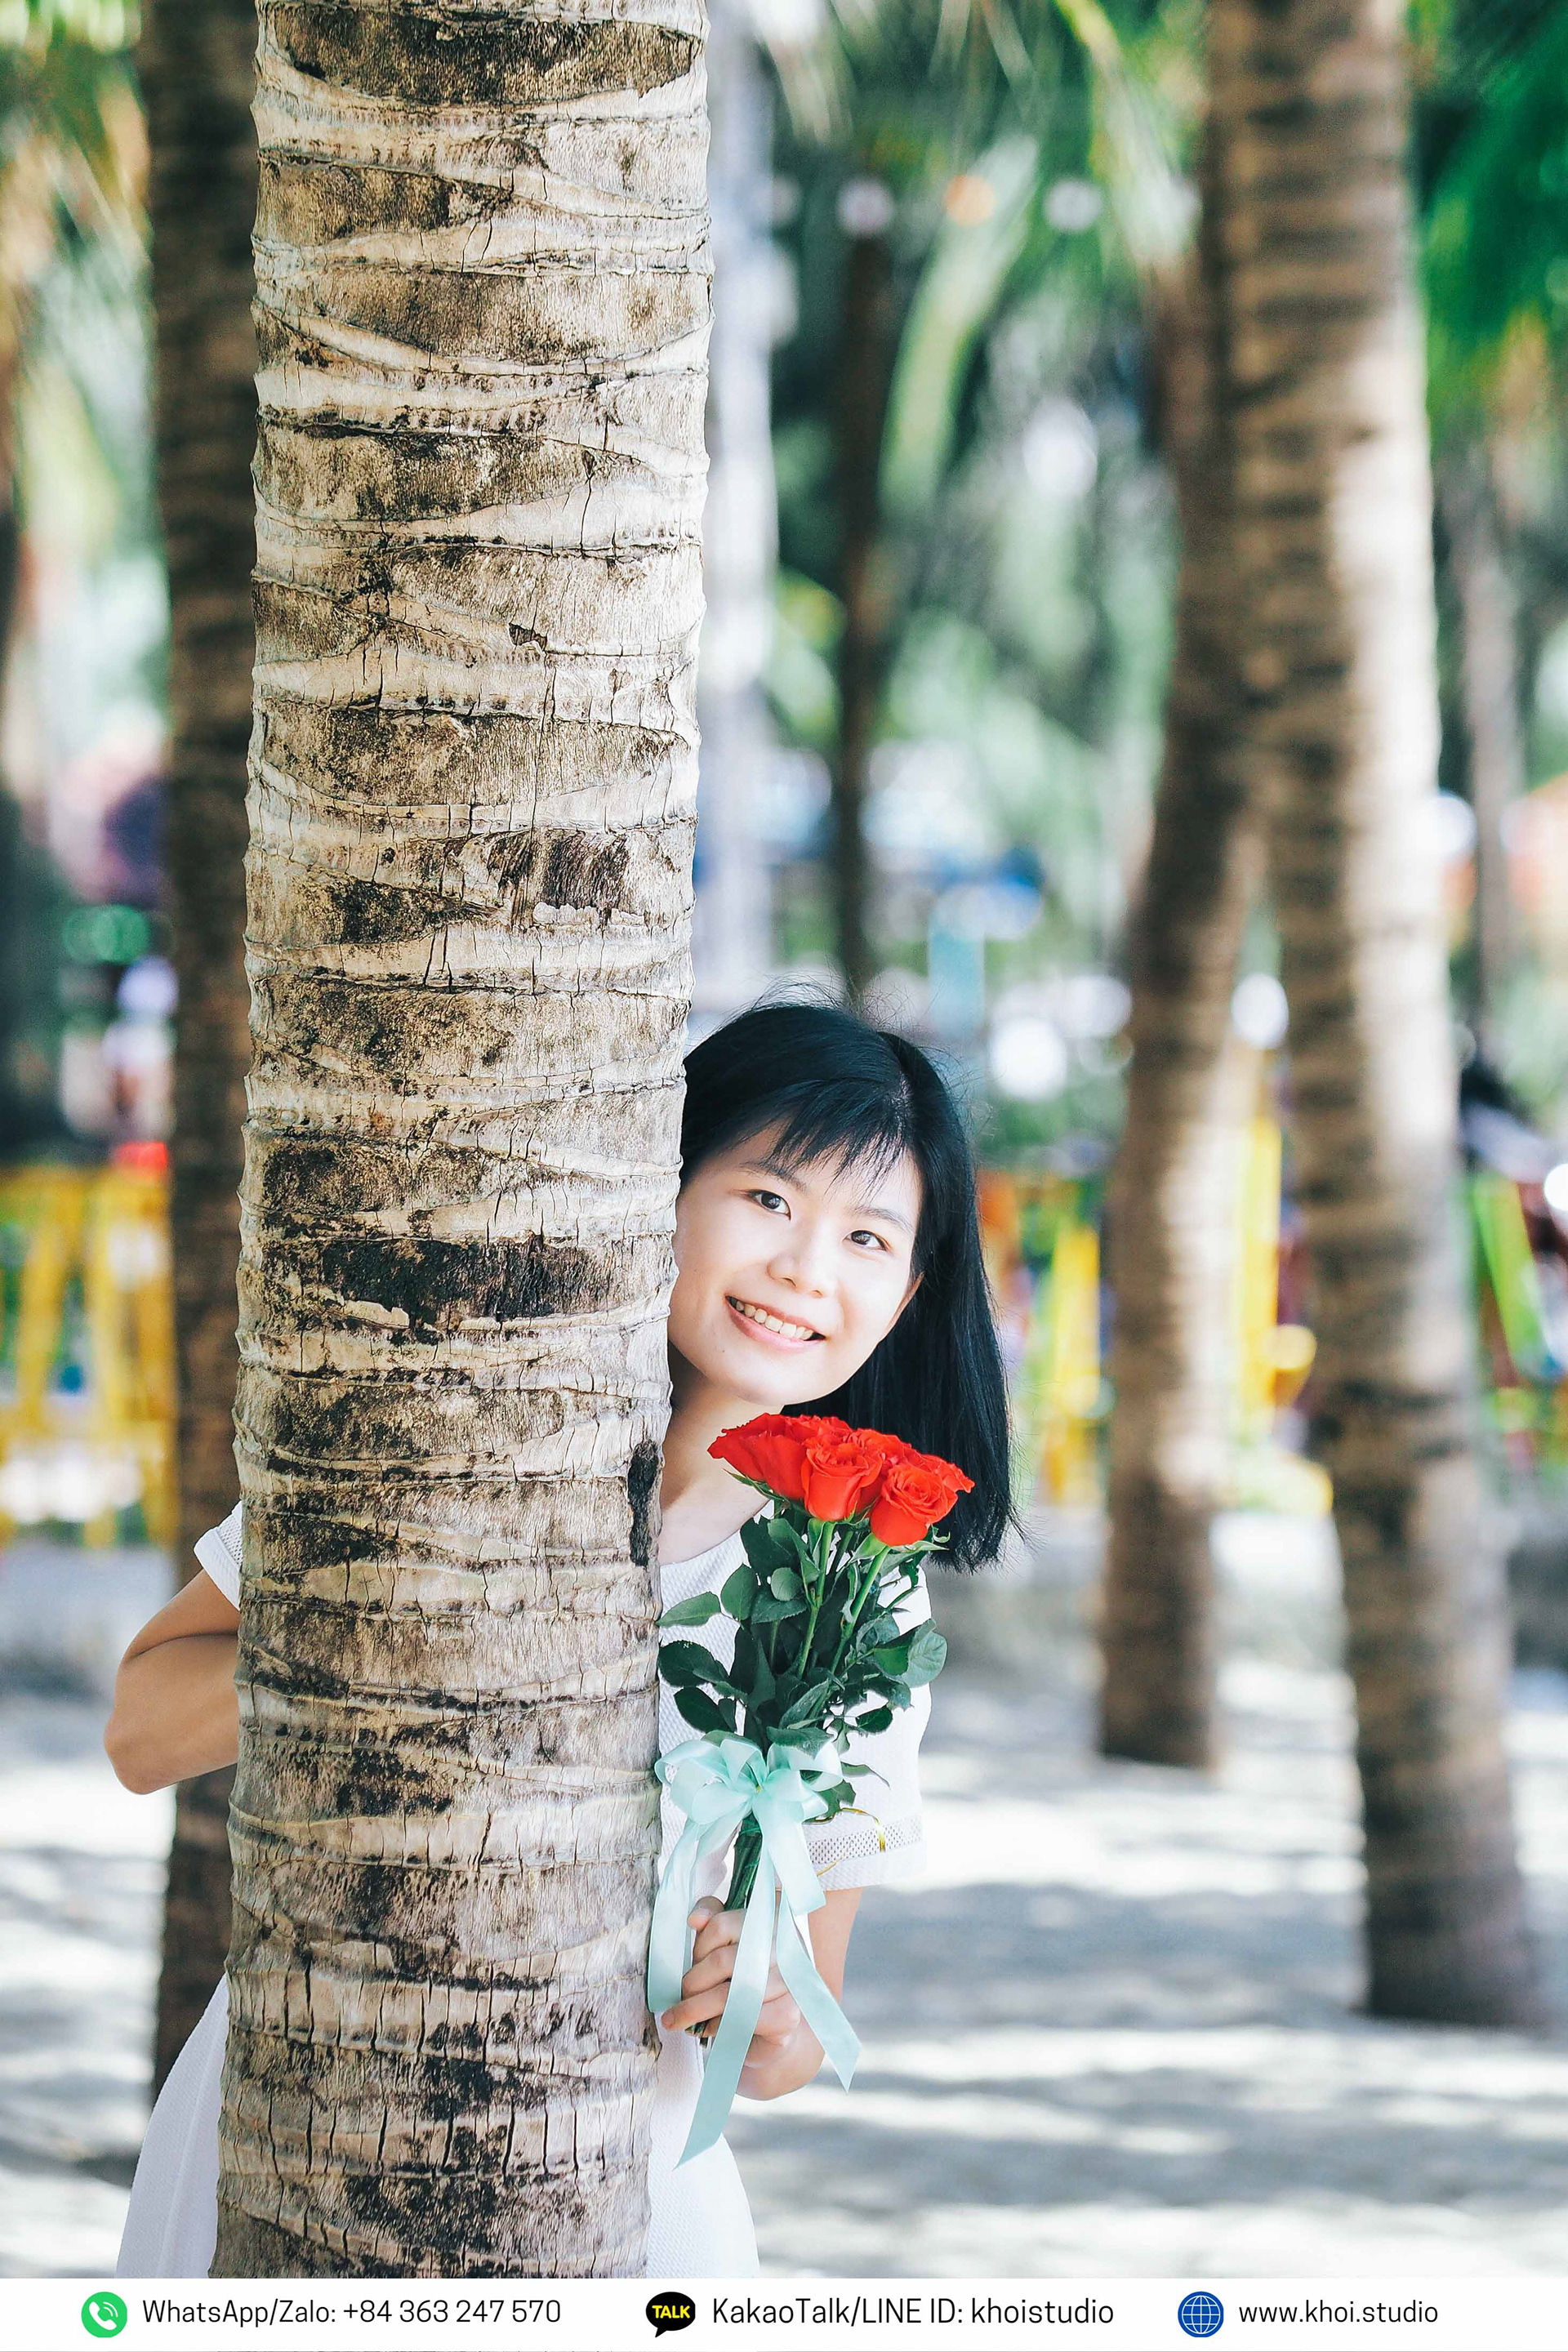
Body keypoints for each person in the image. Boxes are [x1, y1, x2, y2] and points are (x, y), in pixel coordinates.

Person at [105, 999, 1012, 2277]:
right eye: (767, 1198)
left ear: (907, 1293)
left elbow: (800, 2027)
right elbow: (143, 1731)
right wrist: (408, 1620)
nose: (811, 1268)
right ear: (660, 1176)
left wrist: (753, 2007)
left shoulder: (858, 1593)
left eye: (868, 1236)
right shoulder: (456, 1413)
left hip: (614, 2180)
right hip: (313, 2114)